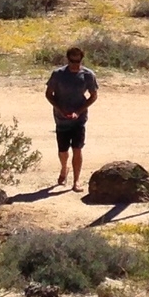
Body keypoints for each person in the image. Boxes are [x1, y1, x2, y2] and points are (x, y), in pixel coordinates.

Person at [44, 46, 99, 191]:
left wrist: (79, 111)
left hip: (79, 120)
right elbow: (49, 93)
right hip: (61, 119)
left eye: (78, 60)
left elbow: (93, 96)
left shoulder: (88, 75)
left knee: (77, 149)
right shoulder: (58, 74)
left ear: (81, 59)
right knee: (63, 151)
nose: (75, 63)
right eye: (72, 60)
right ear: (68, 59)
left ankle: (77, 180)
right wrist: (60, 109)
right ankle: (64, 168)